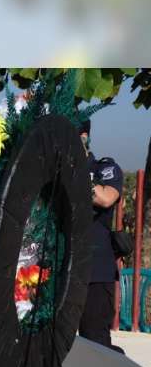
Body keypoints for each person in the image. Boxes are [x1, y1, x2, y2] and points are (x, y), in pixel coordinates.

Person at [77, 118, 123, 350]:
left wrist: (76, 172)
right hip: (62, 269)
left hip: (95, 272)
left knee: (95, 344)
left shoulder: (104, 168)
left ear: (84, 136)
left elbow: (106, 198)